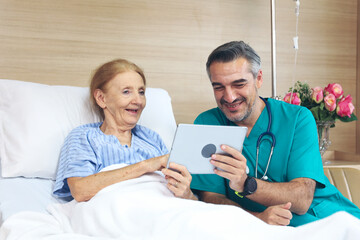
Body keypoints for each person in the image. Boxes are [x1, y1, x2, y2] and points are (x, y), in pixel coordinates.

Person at [190, 40, 360, 226]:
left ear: (259, 79)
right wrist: (257, 219)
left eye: (239, 84)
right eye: (219, 87)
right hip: (269, 226)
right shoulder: (207, 124)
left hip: (330, 219)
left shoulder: (297, 119)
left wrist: (246, 183)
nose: (229, 97)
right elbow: (211, 197)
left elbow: (302, 199)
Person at [53, 59, 196, 202]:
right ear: (101, 98)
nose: (138, 101)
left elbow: (183, 198)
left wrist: (186, 194)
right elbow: (80, 191)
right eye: (126, 92)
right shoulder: (84, 137)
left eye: (141, 92)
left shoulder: (152, 138)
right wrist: (145, 165)